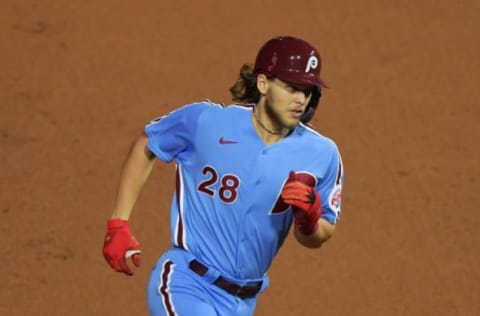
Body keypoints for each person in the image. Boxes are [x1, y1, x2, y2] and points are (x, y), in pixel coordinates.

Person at [102, 35, 344, 316]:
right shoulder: (207, 122)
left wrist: (308, 218)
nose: (301, 99)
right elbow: (148, 142)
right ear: (263, 83)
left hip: (242, 304)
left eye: (307, 90)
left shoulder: (322, 154)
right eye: (291, 87)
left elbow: (319, 235)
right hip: (186, 283)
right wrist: (119, 223)